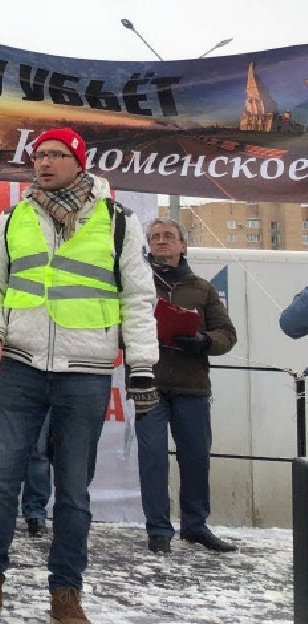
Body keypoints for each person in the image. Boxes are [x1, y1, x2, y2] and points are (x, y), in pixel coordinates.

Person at [0, 127, 157, 624]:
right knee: (3, 479)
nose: (43, 163)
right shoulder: (14, 216)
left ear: (78, 162)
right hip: (21, 367)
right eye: (38, 155)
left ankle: (66, 593)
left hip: (85, 373)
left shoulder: (118, 222)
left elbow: (137, 297)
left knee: (73, 490)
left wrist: (142, 365)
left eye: (55, 154)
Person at [137, 217, 237, 554]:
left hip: (192, 386)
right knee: (152, 458)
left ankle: (195, 526)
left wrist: (204, 340)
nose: (161, 242)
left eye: (168, 237)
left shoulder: (202, 288)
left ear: (183, 245)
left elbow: (228, 334)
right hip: (148, 383)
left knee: (195, 458)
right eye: (154, 238)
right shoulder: (137, 283)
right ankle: (158, 530)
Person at [0, 304, 51, 537]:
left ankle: (35, 512)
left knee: (39, 450)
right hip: (3, 378)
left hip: (42, 375)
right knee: (4, 452)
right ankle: (1, 513)